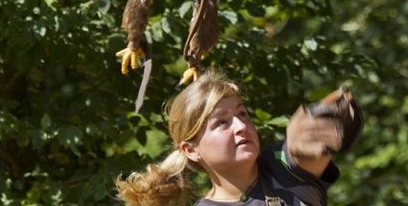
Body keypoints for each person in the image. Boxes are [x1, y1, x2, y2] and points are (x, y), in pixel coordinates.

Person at [116, 69, 364, 206]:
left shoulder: (281, 167)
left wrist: (319, 121)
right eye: (221, 122)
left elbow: (308, 148)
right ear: (191, 150)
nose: (240, 126)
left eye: (242, 114)